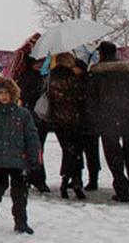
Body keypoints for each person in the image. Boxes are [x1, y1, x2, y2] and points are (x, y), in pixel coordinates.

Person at [0, 76, 41, 235]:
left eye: (7, 93)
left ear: (13, 94)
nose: (4, 96)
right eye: (1, 93)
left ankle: (21, 222)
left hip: (19, 161)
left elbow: (31, 136)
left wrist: (34, 157)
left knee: (20, 194)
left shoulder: (23, 114)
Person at [86, 41, 129, 202]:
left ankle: (122, 189)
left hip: (107, 120)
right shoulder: (128, 70)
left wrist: (94, 118)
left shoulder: (96, 73)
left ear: (101, 54)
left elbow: (91, 99)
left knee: (114, 156)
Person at [47, 52, 87, 199]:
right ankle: (75, 181)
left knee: (67, 150)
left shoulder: (51, 77)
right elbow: (82, 95)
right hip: (75, 120)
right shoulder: (73, 78)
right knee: (76, 152)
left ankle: (66, 180)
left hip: (58, 120)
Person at [15, 55, 51, 193]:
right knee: (37, 149)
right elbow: (26, 96)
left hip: (33, 118)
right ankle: (37, 178)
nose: (40, 64)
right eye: (38, 62)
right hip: (36, 118)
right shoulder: (35, 79)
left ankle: (30, 176)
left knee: (33, 149)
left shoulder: (25, 78)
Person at [74, 57, 102, 190]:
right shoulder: (90, 79)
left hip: (86, 121)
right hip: (88, 122)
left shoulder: (85, 81)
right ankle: (86, 178)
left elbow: (90, 100)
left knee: (89, 152)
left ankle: (92, 179)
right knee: (88, 152)